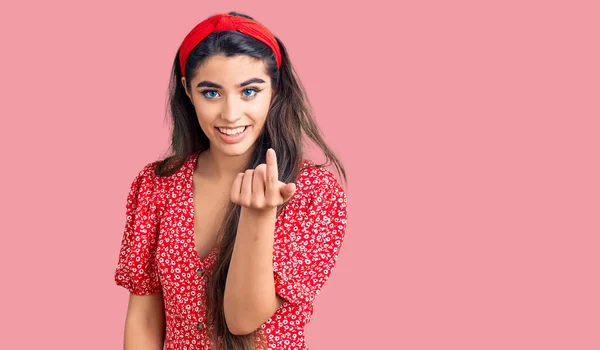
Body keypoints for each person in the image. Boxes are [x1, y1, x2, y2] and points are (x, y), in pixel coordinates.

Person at [114, 11, 348, 350]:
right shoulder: (155, 185)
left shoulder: (313, 193)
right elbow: (144, 317)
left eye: (249, 91)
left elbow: (242, 320)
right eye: (211, 93)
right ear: (187, 90)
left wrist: (259, 215)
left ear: (275, 89)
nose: (231, 114)